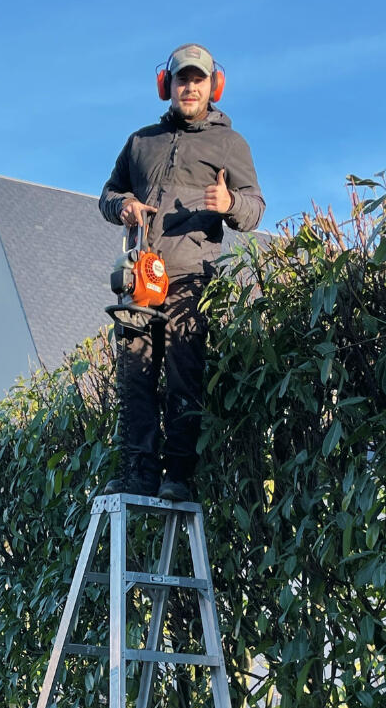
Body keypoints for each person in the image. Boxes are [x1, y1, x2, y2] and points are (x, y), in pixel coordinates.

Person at [99, 42, 264, 500]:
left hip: (191, 277)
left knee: (182, 374)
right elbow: (107, 194)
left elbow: (255, 209)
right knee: (134, 377)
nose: (189, 87)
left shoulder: (230, 144)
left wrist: (230, 203)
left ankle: (178, 475)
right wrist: (123, 204)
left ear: (214, 87)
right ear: (166, 85)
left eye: (198, 80)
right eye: (181, 79)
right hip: (140, 278)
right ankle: (139, 472)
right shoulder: (140, 142)